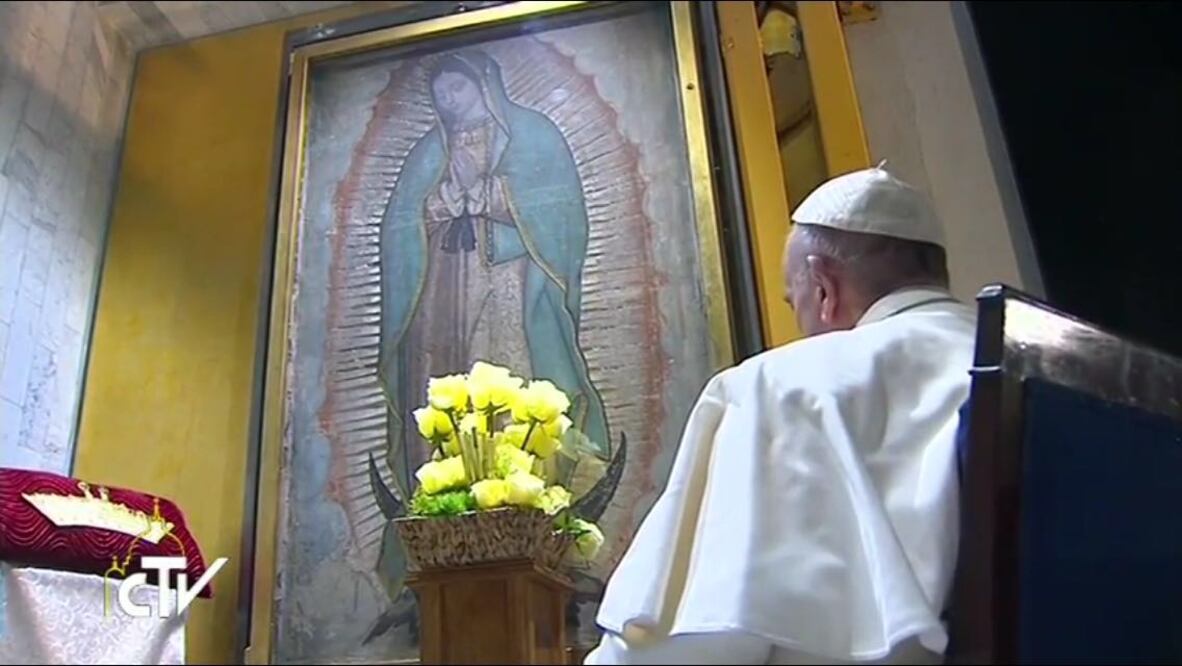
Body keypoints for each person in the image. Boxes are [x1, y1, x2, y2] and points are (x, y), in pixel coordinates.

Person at [586, 166, 977, 664]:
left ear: (822, 288)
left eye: (795, 303)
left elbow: (691, 645)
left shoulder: (778, 387)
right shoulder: (1042, 363)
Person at [378, 50, 611, 501]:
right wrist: (437, 206)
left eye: (457, 87)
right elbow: (399, 225)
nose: (448, 99)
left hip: (511, 282)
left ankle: (523, 488)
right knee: (447, 375)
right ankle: (447, 491)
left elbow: (562, 213)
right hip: (442, 292)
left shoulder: (533, 135)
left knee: (510, 368)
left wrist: (494, 195)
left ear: (485, 83)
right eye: (440, 91)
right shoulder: (430, 151)